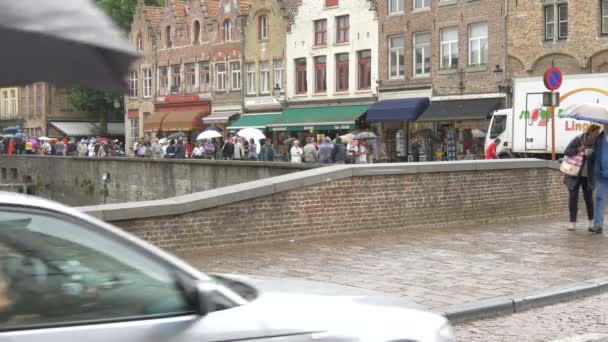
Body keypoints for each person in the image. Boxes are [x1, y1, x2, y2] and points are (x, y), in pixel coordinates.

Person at [563, 125, 601, 231]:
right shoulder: (579, 139)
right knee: (573, 198)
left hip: (588, 175)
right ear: (591, 132)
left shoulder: (597, 143)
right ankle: (572, 223)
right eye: (597, 132)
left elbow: (598, 158)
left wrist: (591, 155)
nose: (598, 134)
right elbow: (566, 151)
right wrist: (579, 149)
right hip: (574, 174)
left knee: (588, 198)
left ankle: (590, 222)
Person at [588, 123, 608, 233]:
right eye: (606, 124)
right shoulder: (598, 138)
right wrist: (590, 153)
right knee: (600, 198)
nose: (607, 126)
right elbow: (594, 154)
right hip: (601, 174)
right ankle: (598, 225)